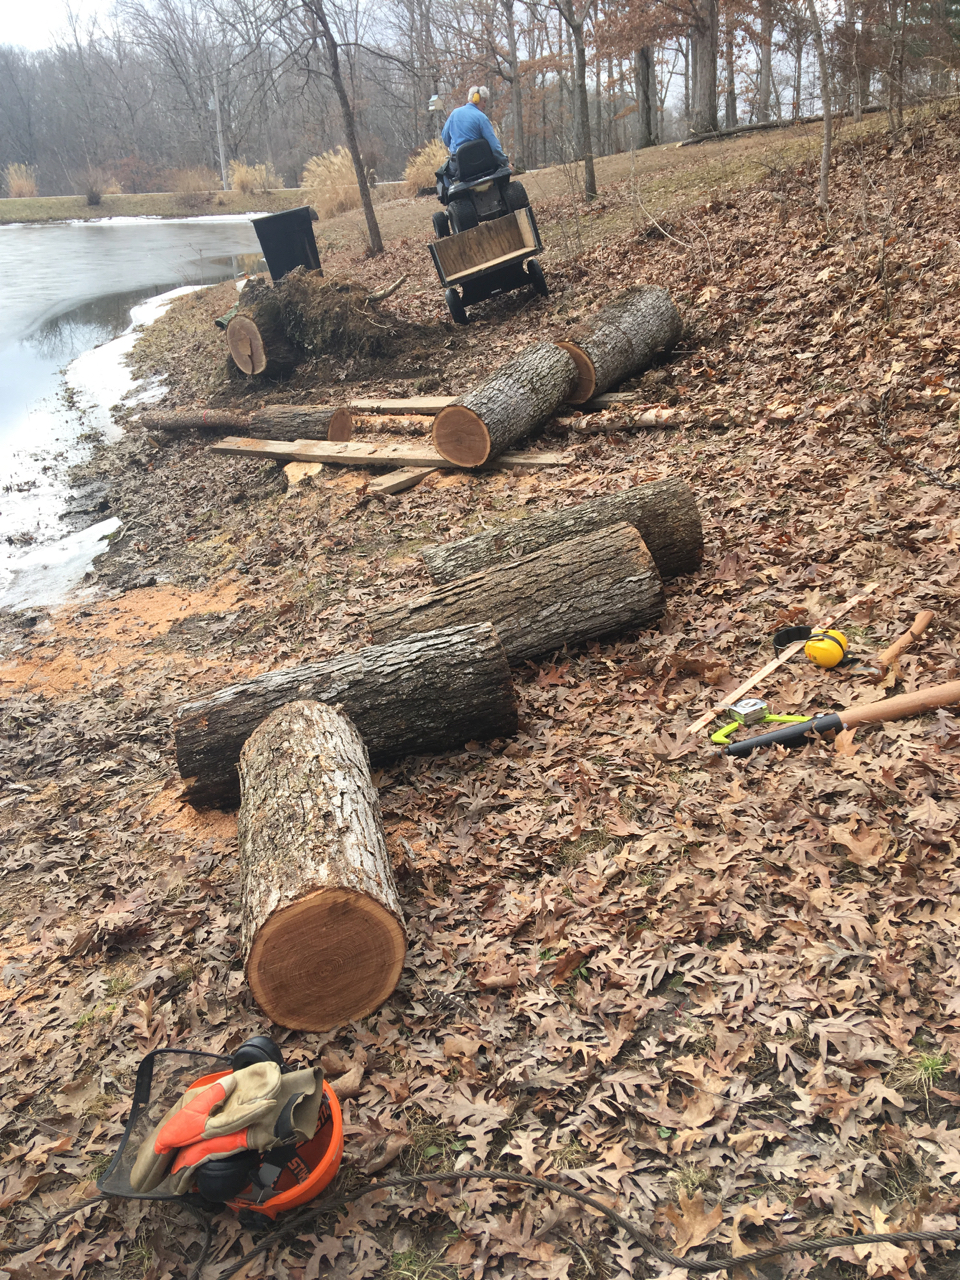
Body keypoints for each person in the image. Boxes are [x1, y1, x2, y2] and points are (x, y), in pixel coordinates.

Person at [441, 86, 509, 170]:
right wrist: (505, 162)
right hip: (480, 163)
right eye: (484, 101)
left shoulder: (454, 114)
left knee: (442, 175)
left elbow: (445, 139)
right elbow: (494, 147)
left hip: (458, 166)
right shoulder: (482, 118)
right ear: (477, 99)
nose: (484, 105)